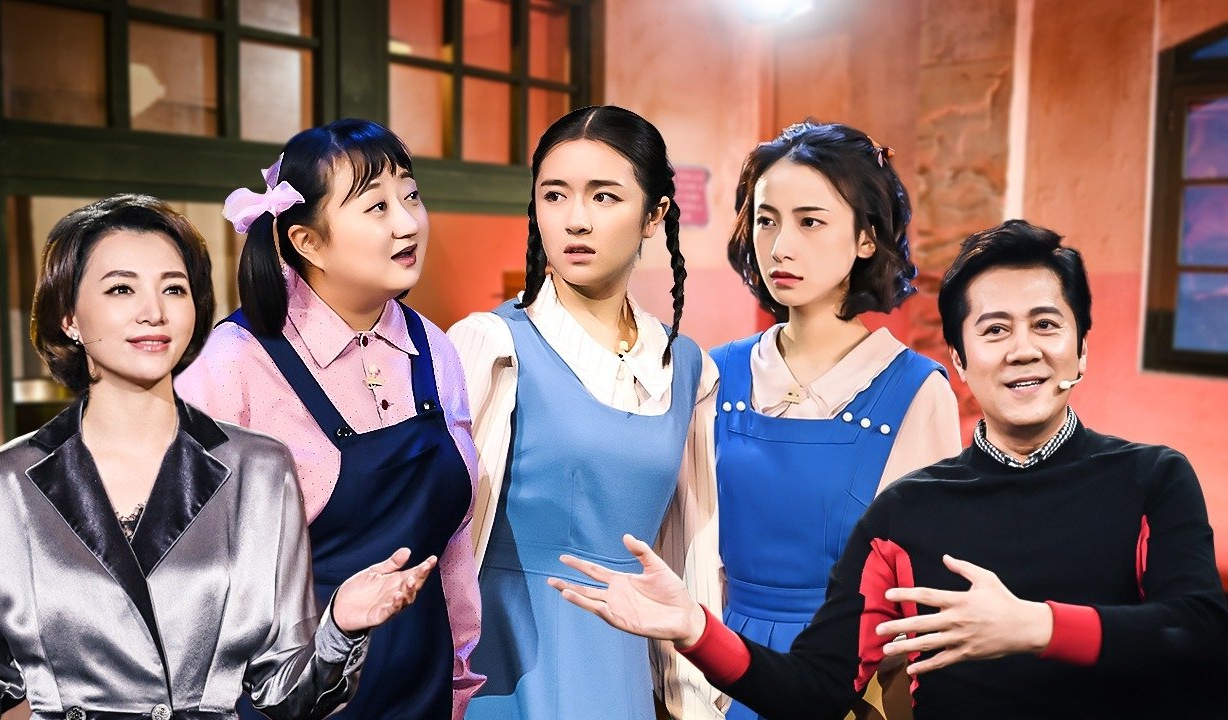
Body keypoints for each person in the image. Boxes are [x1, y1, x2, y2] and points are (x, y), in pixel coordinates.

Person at [550, 219, 1228, 718]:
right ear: (960, 361)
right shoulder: (908, 510)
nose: (1023, 349)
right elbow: (817, 691)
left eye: (1046, 325)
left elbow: (1200, 632)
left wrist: (1036, 627)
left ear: (1081, 350)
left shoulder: (1152, 479)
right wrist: (697, 630)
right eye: (994, 330)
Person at [0, 194, 435, 720]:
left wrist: (340, 626)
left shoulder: (260, 469)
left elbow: (285, 693)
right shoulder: (9, 480)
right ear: (69, 318)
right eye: (121, 288)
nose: (154, 312)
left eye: (174, 288)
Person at [175, 119, 482, 720]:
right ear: (308, 242)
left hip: (422, 694)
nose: (407, 223)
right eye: (376, 206)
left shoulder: (435, 349)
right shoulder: (235, 364)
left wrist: (458, 685)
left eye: (411, 196)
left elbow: (452, 550)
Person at [448, 105, 723, 719]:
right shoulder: (491, 345)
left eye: (604, 197)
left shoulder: (688, 368)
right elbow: (446, 532)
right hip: (503, 666)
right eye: (554, 195)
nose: (575, 219)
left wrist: (694, 701)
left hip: (622, 668)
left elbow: (691, 551)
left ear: (655, 215)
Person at [711, 121, 960, 720]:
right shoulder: (714, 376)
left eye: (810, 221)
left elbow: (928, 585)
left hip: (851, 678)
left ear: (867, 238)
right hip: (716, 665)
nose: (780, 247)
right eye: (766, 220)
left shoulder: (916, 392)